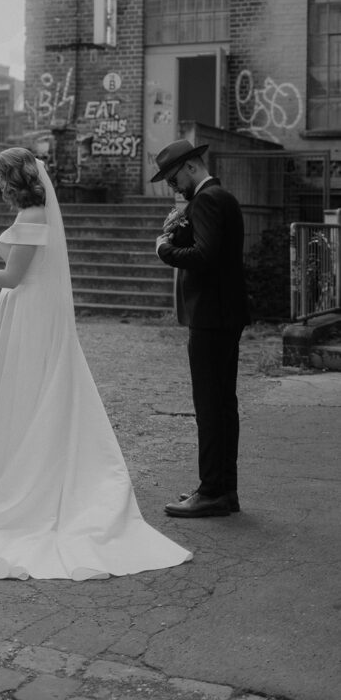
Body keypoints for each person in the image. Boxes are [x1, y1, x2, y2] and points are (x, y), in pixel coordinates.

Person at [0, 147, 191, 580]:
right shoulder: (34, 213)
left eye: (1, 176)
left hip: (29, 313)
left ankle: (20, 478)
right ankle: (14, 469)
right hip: (30, 309)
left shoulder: (32, 216)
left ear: (15, 178)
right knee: (31, 392)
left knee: (25, 393)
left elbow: (12, 278)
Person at [151, 138, 250, 519]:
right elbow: (214, 251)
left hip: (211, 316)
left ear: (191, 166)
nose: (173, 187)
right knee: (223, 406)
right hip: (224, 314)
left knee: (210, 407)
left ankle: (211, 492)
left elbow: (204, 256)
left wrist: (165, 250)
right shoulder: (221, 197)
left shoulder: (207, 200)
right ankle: (224, 490)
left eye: (173, 178)